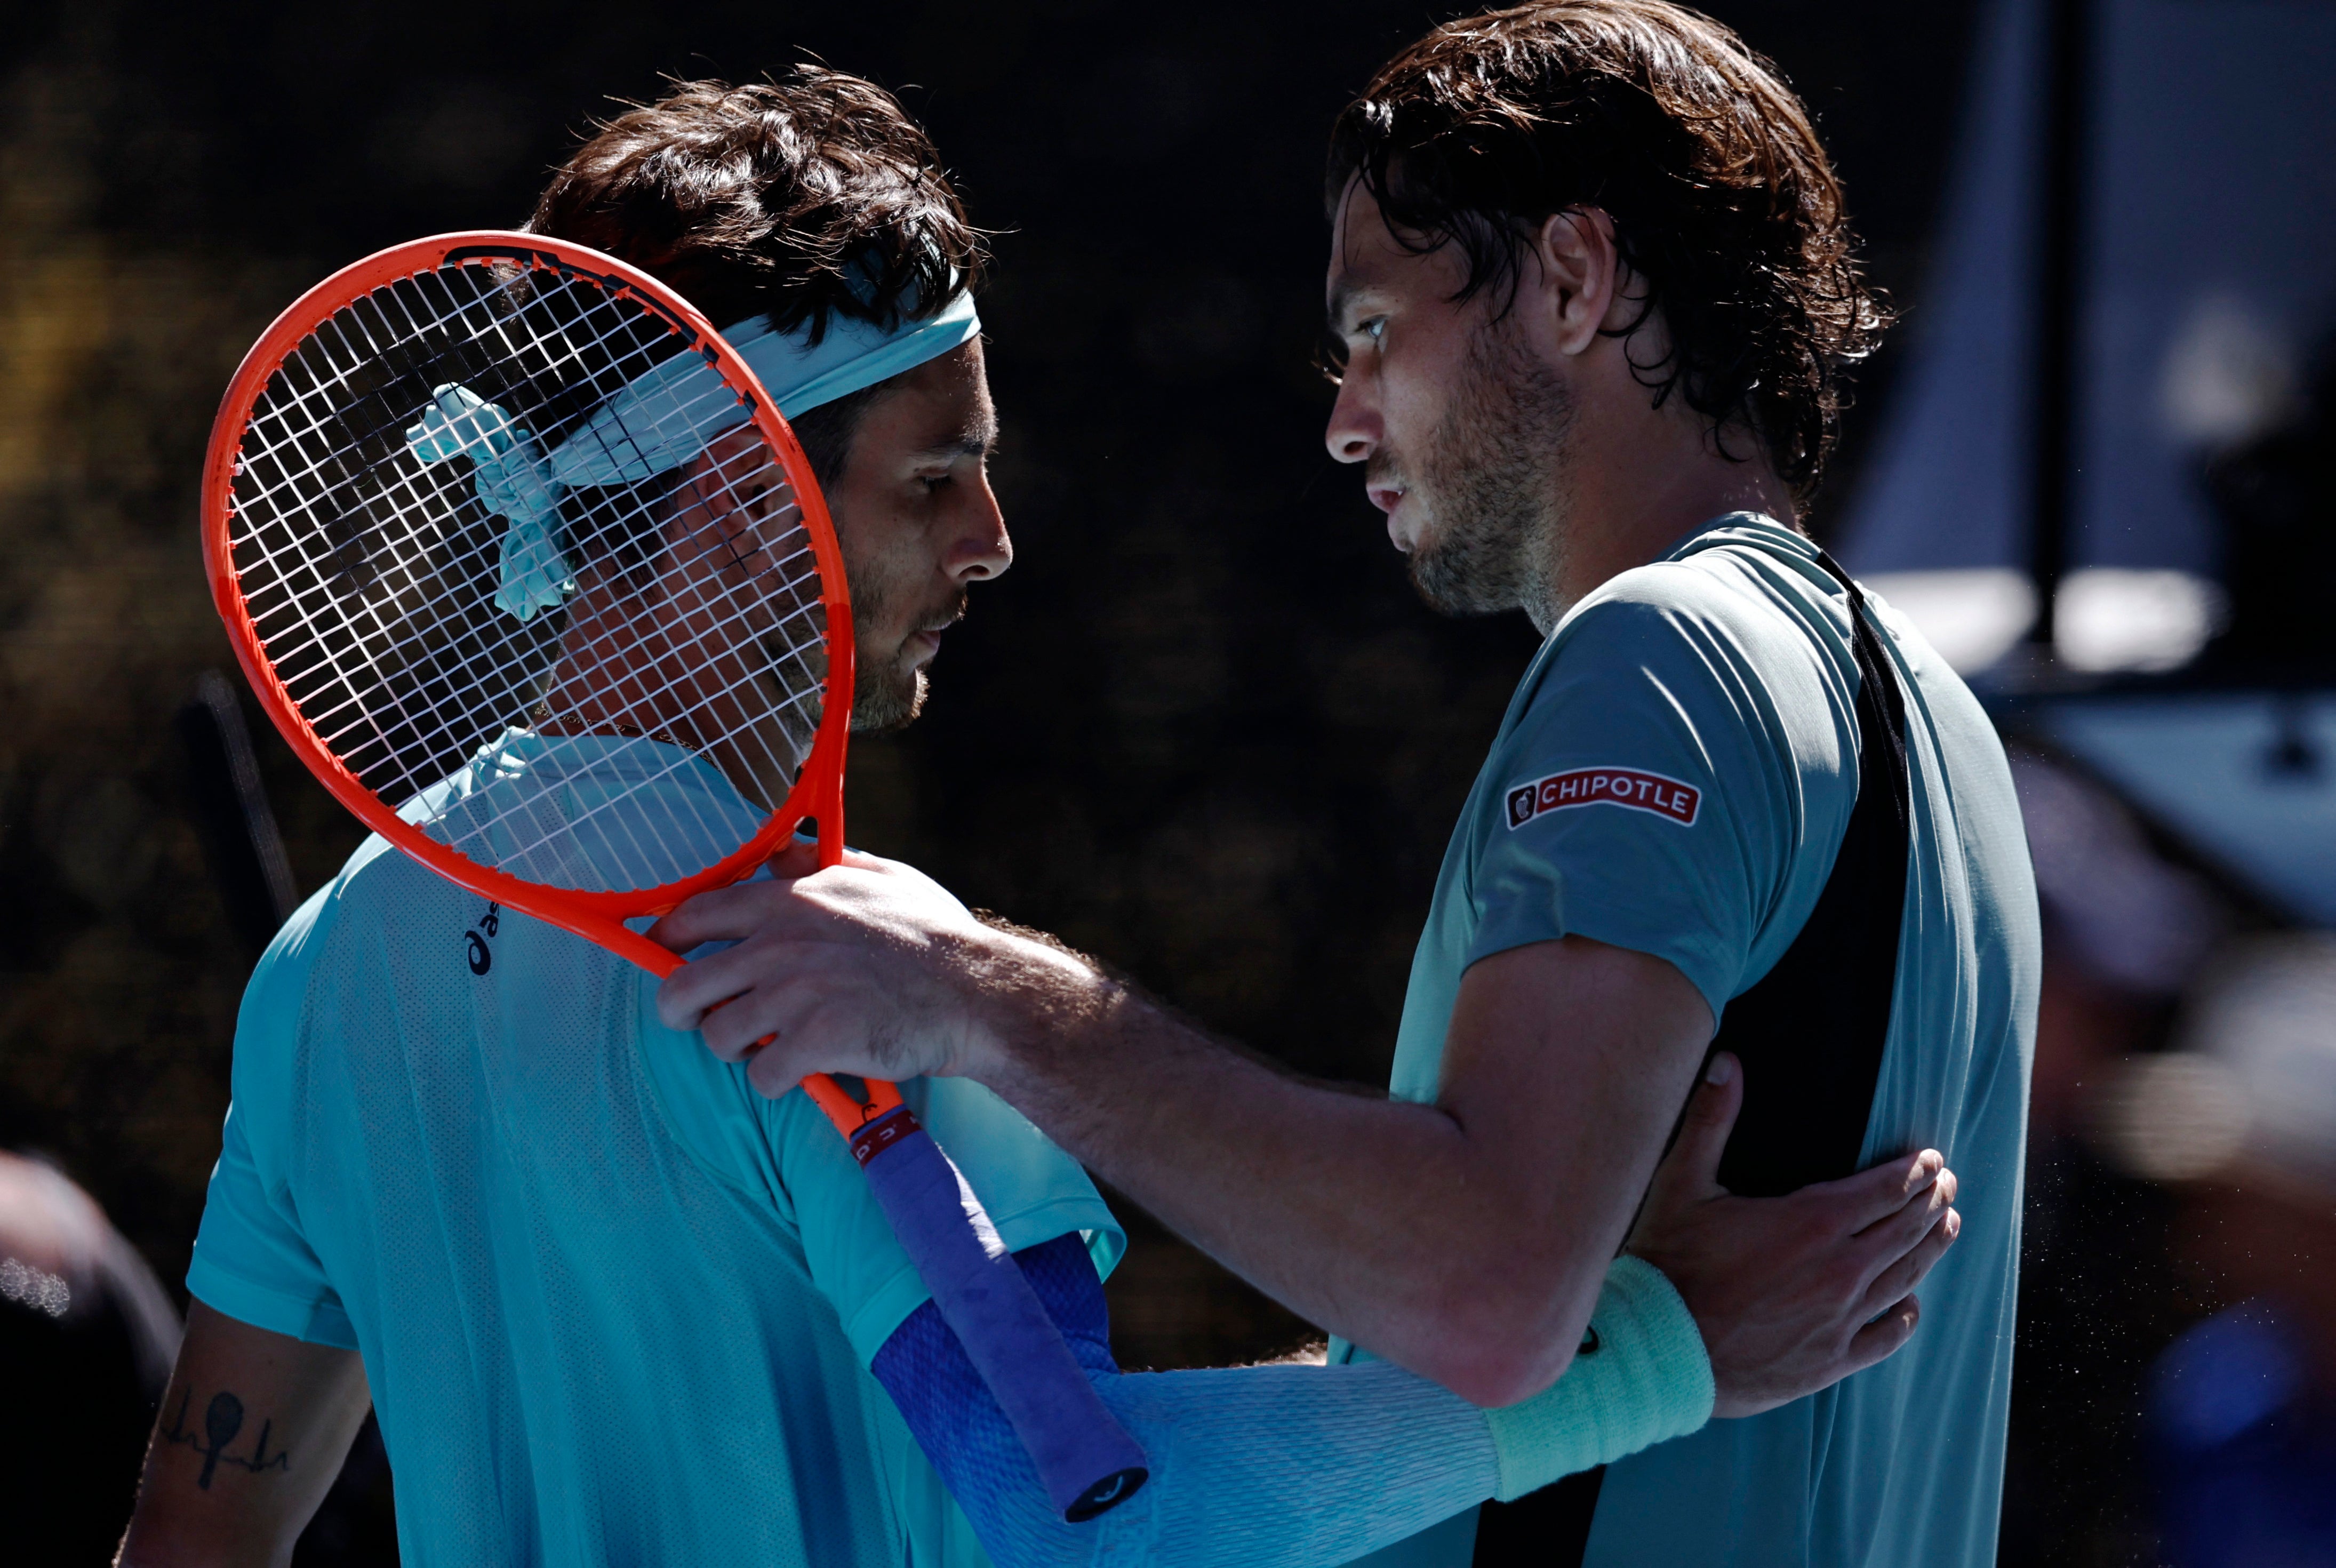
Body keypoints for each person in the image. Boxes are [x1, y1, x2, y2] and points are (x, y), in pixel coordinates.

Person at [121, 67, 1961, 1568]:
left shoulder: (325, 963)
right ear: (756, 505)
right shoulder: (850, 971)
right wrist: (1658, 1353)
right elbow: (1088, 1519)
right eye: (938, 477)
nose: (991, 543)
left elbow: (199, 1528)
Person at [653, 8, 2036, 1568]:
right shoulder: (1941, 715)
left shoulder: (1662, 653)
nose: (1342, 417)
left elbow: (1488, 1295)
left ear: (1573, 280)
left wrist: (973, 992)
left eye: (1376, 328)